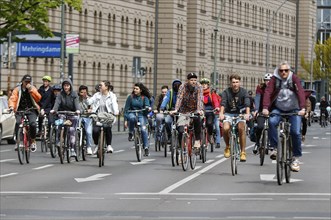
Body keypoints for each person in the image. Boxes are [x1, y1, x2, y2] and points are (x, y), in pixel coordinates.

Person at [262, 61, 306, 172]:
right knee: (272, 122)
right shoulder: (274, 79)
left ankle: (295, 158)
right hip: (279, 108)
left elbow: (301, 92)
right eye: (281, 70)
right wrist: (266, 108)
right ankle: (275, 148)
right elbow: (267, 92)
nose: (283, 73)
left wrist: (302, 108)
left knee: (295, 132)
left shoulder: (294, 78)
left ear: (289, 71)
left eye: (286, 70)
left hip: (294, 109)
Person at [219, 74, 250, 162]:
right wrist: (221, 113)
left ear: (239, 83)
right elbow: (223, 103)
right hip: (229, 114)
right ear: (230, 83)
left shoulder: (244, 92)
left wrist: (247, 114)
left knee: (241, 128)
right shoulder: (226, 92)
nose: (235, 84)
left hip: (240, 114)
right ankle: (227, 146)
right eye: (233, 82)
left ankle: (243, 152)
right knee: (225, 128)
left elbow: (247, 103)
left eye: (237, 82)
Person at [170, 72, 204, 151]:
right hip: (184, 111)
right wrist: (176, 109)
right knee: (181, 129)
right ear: (187, 81)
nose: (193, 82)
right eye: (191, 80)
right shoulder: (182, 86)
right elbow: (179, 98)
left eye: (195, 80)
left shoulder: (199, 87)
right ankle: (181, 148)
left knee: (197, 119)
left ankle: (197, 140)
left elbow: (200, 99)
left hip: (195, 110)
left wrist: (199, 110)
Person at [8, 74, 41, 152]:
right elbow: (13, 99)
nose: (27, 83)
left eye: (29, 82)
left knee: (32, 124)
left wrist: (31, 91)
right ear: (22, 81)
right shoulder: (17, 89)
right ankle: (18, 141)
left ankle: (33, 141)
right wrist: (11, 107)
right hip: (20, 110)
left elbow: (38, 98)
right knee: (18, 123)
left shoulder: (32, 88)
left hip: (31, 109)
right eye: (26, 81)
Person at [50, 79, 81, 157]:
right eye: (64, 86)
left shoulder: (74, 94)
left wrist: (77, 110)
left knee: (72, 130)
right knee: (59, 126)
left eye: (67, 85)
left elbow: (77, 103)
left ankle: (72, 149)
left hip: (72, 114)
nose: (66, 87)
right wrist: (54, 110)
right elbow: (57, 103)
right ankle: (59, 141)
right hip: (63, 113)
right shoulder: (60, 94)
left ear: (70, 86)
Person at [87, 81, 119, 154]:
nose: (99, 87)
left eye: (101, 85)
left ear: (106, 87)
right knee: (95, 131)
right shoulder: (97, 95)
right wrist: (87, 99)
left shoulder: (112, 96)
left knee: (107, 128)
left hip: (108, 116)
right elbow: (90, 101)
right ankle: (96, 144)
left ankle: (109, 145)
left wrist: (116, 111)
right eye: (99, 86)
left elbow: (114, 104)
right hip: (97, 116)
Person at [124, 82, 151, 156]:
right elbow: (126, 109)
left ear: (141, 90)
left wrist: (147, 108)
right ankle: (131, 133)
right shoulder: (130, 97)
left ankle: (146, 148)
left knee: (143, 129)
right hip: (132, 113)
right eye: (134, 88)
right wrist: (126, 120)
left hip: (141, 115)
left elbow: (147, 105)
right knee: (132, 118)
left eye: (137, 89)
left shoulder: (144, 98)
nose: (135, 90)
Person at [252, 73, 272, 154]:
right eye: (266, 80)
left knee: (272, 125)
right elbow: (257, 98)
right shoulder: (260, 88)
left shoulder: (275, 88)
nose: (268, 82)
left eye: (269, 80)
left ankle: (271, 143)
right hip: (261, 110)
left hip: (271, 111)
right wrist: (256, 109)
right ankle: (257, 143)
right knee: (260, 127)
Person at [200, 78, 220, 146]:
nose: (204, 85)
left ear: (208, 85)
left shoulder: (211, 93)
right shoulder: (198, 93)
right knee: (198, 123)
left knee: (209, 124)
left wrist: (217, 107)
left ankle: (210, 135)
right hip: (201, 111)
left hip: (210, 111)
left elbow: (215, 101)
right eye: (202, 84)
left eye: (205, 84)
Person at [78, 85, 94, 155]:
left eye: (85, 92)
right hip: (79, 116)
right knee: (76, 129)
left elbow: (92, 107)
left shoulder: (90, 98)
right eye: (82, 92)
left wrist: (90, 110)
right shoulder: (76, 98)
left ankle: (89, 147)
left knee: (88, 132)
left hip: (87, 117)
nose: (83, 94)